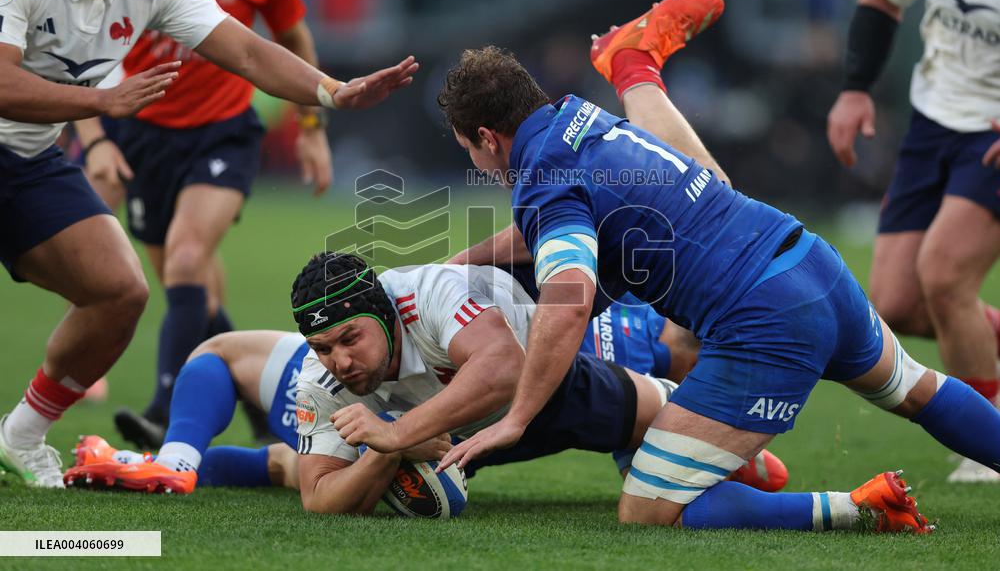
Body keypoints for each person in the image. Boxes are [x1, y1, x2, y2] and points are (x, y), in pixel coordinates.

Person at [436, 0, 1000, 533]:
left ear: (487, 138)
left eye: (468, 151)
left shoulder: (542, 179)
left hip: (767, 319)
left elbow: (569, 299)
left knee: (648, 506)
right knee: (914, 389)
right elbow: (553, 226)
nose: (477, 163)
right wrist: (461, 261)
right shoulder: (577, 121)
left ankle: (858, 508)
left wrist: (516, 419)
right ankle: (633, 65)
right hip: (810, 261)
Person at [0, 0, 416, 488]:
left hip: (35, 159)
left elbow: (246, 51)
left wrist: (331, 94)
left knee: (120, 292)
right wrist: (100, 107)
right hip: (79, 136)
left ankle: (22, 432)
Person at [63, 256, 785, 499]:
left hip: (506, 399)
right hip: (467, 410)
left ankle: (174, 461)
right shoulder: (332, 367)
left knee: (252, 404)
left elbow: (504, 364)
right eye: (328, 343)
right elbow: (324, 498)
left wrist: (395, 438)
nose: (339, 354)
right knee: (290, 456)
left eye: (346, 337)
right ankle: (176, 466)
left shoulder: (445, 309)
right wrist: (390, 445)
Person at [74, 0, 335, 450]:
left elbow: (294, 39)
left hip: (223, 134)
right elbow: (70, 54)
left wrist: (311, 126)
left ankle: (163, 413)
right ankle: (266, 402)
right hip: (144, 134)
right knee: (187, 287)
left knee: (190, 257)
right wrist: (96, 139)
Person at [825, 0, 1000, 482]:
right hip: (932, 123)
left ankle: (987, 441)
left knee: (946, 277)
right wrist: (854, 90)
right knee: (895, 303)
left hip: (994, 133)